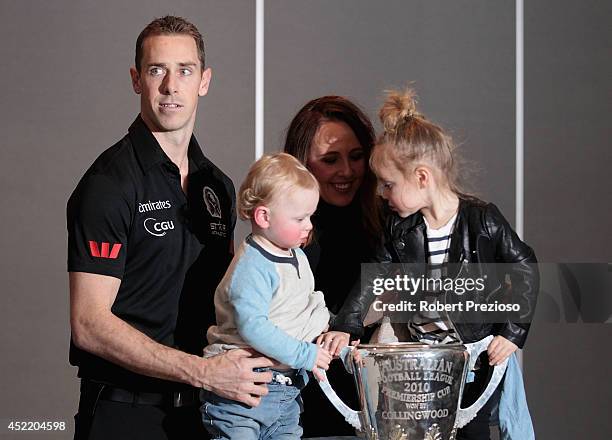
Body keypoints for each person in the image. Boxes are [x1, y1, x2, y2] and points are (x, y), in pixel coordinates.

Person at [67, 16, 273, 440]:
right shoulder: (109, 183)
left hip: (206, 412)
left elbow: (228, 299)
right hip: (125, 413)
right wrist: (201, 372)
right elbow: (89, 323)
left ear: (204, 80)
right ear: (136, 80)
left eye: (185, 70)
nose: (170, 86)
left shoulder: (217, 184)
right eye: (156, 70)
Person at [335, 88, 539, 439]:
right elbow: (375, 277)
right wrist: (348, 324)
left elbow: (525, 267)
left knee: (473, 432)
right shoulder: (399, 226)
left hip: (474, 362)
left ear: (422, 178)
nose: (382, 194)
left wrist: (513, 331)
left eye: (388, 184)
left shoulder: (482, 220)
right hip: (422, 369)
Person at [200, 153, 347, 439]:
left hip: (286, 393)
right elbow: (253, 326)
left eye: (310, 216)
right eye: (300, 218)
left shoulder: (297, 256)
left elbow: (304, 305)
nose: (309, 225)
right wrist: (306, 354)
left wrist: (331, 329)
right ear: (264, 216)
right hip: (243, 396)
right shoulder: (253, 265)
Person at [283, 96, 382, 437]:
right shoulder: (283, 234)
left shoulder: (389, 224)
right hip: (303, 406)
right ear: (302, 164)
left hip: (379, 408)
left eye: (356, 157)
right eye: (330, 160)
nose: (347, 171)